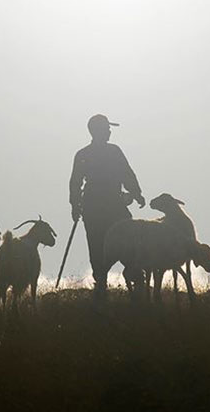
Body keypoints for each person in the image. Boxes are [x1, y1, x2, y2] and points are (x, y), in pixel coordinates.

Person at [69, 114, 144, 300]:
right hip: (112, 205)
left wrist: (75, 205)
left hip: (93, 207)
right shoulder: (113, 151)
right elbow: (127, 174)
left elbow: (75, 183)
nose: (110, 131)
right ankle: (135, 282)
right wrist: (136, 193)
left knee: (97, 246)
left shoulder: (83, 154)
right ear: (100, 130)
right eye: (107, 128)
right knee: (127, 242)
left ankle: (102, 284)